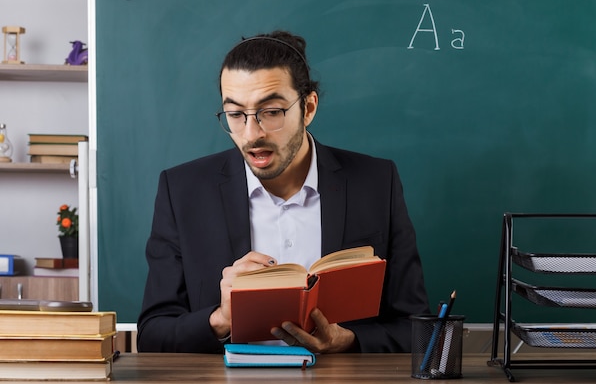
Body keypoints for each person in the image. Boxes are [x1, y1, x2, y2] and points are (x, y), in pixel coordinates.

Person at [137, 30, 430, 354]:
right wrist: (220, 319)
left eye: (272, 112)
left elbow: (416, 327)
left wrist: (346, 340)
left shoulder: (376, 182)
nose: (251, 134)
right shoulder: (182, 191)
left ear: (308, 108)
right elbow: (152, 335)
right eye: (235, 114)